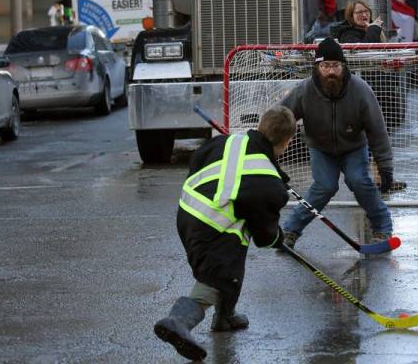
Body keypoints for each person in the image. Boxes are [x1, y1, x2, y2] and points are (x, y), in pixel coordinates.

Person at [153, 106, 296, 361]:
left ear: (261, 126)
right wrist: (278, 238)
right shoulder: (270, 185)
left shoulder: (227, 141)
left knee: (236, 245)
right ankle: (178, 321)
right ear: (287, 142)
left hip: (186, 212)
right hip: (212, 225)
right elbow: (265, 236)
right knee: (218, 277)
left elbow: (198, 161)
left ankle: (225, 317)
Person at [280, 37, 395, 247]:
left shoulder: (360, 90)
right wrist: (264, 148)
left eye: (335, 65)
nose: (330, 71)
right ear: (317, 67)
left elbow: (377, 131)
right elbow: (279, 118)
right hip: (321, 148)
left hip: (354, 147)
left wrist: (385, 167)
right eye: (325, 66)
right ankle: (290, 230)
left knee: (359, 181)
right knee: (324, 186)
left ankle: (382, 228)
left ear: (343, 66)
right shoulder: (304, 90)